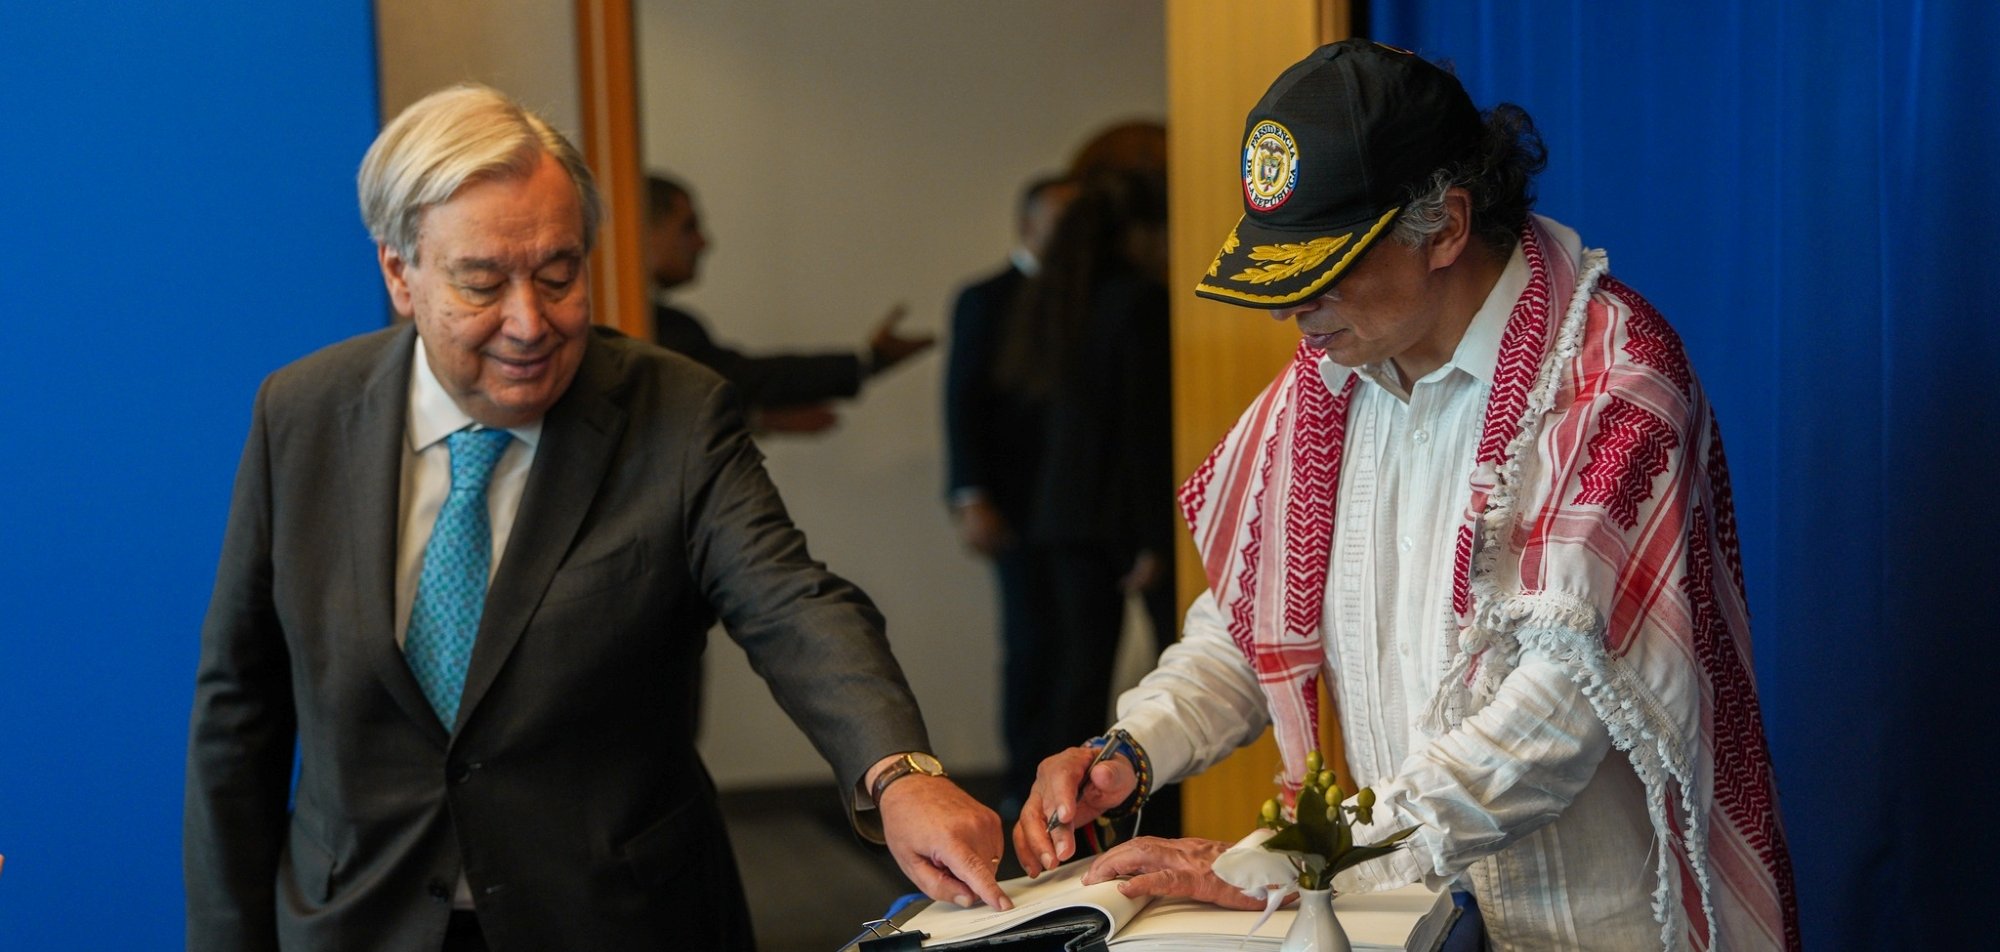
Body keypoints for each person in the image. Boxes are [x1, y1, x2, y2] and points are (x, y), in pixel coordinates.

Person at [1012, 40, 1800, 951]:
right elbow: (1251, 620)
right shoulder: (1326, 379)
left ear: (1446, 226)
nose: (1287, 311)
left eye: (1320, 268)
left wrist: (1290, 858)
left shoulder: (1611, 385)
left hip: (1598, 927)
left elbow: (1549, 724)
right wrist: (1132, 749)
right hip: (1405, 916)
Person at [184, 84, 1009, 952]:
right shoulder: (303, 414)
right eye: (481, 283)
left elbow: (793, 604)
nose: (529, 322)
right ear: (400, 272)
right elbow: (240, 708)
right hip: (360, 917)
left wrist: (898, 774)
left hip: (615, 919)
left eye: (558, 274)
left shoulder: (677, 414)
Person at [987, 168, 1179, 808]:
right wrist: (1156, 536)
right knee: (1168, 662)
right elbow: (1144, 429)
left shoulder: (1056, 299)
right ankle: (1161, 804)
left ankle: (1060, 805)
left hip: (1063, 508)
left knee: (1075, 671)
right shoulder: (1140, 301)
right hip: (1122, 511)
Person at [942, 173, 1074, 801]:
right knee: (1029, 643)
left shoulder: (1088, 296)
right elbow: (961, 401)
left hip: (1076, 505)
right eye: (1062, 220)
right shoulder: (985, 297)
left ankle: (1073, 781)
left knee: (1076, 648)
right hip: (1014, 501)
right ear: (1028, 225)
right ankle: (1023, 782)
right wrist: (972, 494)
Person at [646, 175, 932, 433]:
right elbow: (734, 379)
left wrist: (761, 419)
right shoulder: (658, 328)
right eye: (688, 227)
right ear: (642, 230)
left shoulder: (658, 324)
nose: (703, 243)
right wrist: (869, 362)